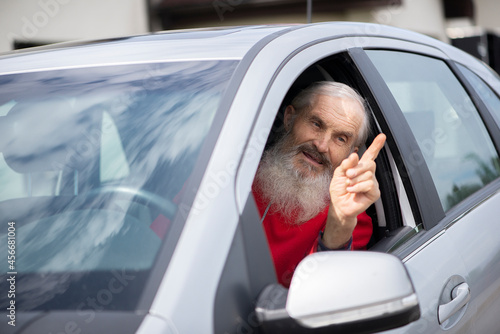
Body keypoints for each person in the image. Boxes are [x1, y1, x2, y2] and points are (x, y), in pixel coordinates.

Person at [252, 81, 386, 287]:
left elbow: (325, 291)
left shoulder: (351, 217)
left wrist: (339, 223)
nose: (322, 145)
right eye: (316, 124)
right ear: (290, 118)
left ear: (352, 153)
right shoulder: (238, 173)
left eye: (340, 139)